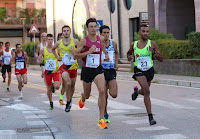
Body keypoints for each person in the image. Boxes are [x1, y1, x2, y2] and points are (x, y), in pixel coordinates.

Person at [74, 18, 110, 129]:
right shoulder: (84, 41)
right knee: (88, 94)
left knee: (102, 90)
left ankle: (101, 119)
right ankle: (83, 97)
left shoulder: (100, 38)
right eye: (91, 27)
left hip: (98, 69)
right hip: (87, 70)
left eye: (95, 26)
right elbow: (75, 55)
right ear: (87, 28)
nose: (94, 29)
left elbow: (102, 47)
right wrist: (88, 52)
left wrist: (106, 54)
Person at [127, 24, 163, 126]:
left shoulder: (152, 44)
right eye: (143, 31)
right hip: (138, 69)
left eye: (147, 31)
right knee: (147, 91)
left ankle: (137, 92)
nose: (145, 33)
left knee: (144, 90)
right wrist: (129, 57)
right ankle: (150, 117)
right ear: (139, 32)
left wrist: (154, 52)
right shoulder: (134, 44)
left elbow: (161, 59)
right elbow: (128, 53)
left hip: (149, 70)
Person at [52, 25, 79, 112]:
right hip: (64, 67)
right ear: (62, 32)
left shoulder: (75, 41)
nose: (66, 32)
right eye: (64, 31)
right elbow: (53, 49)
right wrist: (57, 56)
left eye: (67, 30)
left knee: (72, 86)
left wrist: (73, 52)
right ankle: (67, 102)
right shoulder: (59, 43)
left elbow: (79, 53)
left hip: (73, 66)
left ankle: (70, 100)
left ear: (70, 32)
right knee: (67, 83)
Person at [100, 25, 119, 123]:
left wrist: (116, 63)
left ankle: (107, 86)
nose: (106, 35)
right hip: (101, 71)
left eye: (108, 32)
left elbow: (116, 53)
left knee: (114, 94)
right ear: (100, 34)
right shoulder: (98, 44)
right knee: (104, 94)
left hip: (111, 70)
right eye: (104, 33)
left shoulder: (113, 43)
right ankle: (105, 113)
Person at [37, 34, 61, 110]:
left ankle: (54, 85)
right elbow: (39, 58)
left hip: (56, 71)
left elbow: (60, 57)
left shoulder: (57, 49)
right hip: (47, 72)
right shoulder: (43, 50)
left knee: (57, 86)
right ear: (46, 40)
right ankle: (51, 102)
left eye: (51, 40)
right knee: (49, 89)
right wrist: (39, 60)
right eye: (49, 40)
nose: (50, 41)